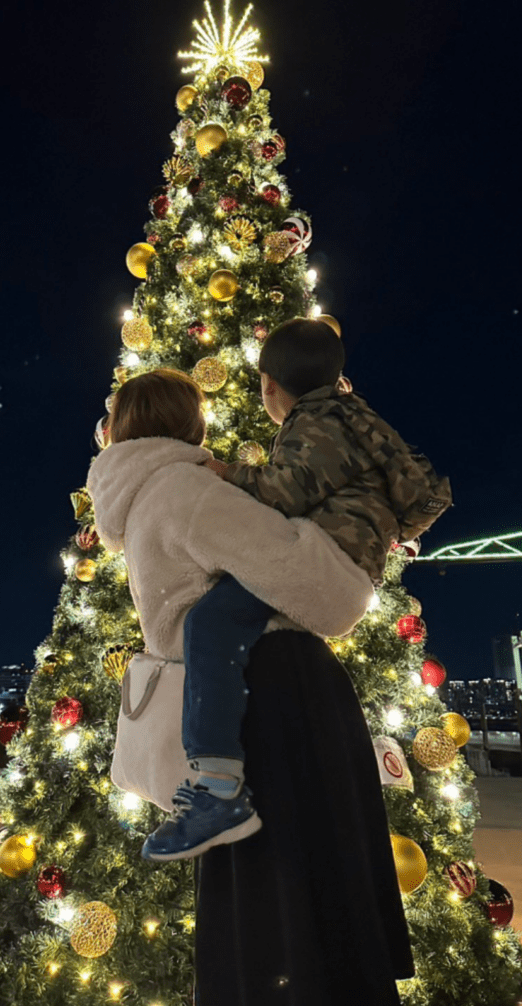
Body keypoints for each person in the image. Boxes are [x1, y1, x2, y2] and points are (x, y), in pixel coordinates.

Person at [87, 367, 414, 1006]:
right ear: (190, 424)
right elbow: (310, 580)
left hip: (234, 701)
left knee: (257, 886)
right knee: (312, 871)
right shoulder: (186, 488)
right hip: (280, 697)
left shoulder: (137, 500)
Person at [139, 320, 451, 860]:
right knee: (233, 619)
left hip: (325, 556)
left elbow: (284, 492)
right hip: (347, 555)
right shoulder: (355, 418)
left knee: (211, 623)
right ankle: (219, 779)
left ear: (269, 386)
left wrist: (222, 471)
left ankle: (216, 789)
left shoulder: (318, 421)